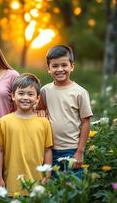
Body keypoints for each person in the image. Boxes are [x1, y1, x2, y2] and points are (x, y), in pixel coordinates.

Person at [37, 45, 93, 178]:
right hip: (50, 151)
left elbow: (86, 122)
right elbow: (39, 107)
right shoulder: (45, 90)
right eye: (55, 66)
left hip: (72, 150)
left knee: (72, 189)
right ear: (48, 68)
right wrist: (40, 111)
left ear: (72, 66)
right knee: (54, 190)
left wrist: (80, 152)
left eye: (64, 65)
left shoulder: (80, 92)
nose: (60, 69)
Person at [0, 73, 53, 196]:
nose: (25, 97)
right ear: (13, 96)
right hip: (11, 185)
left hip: (36, 185)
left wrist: (46, 177)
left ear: (37, 98)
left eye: (30, 94)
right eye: (21, 93)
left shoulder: (44, 122)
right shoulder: (4, 122)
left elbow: (47, 151)